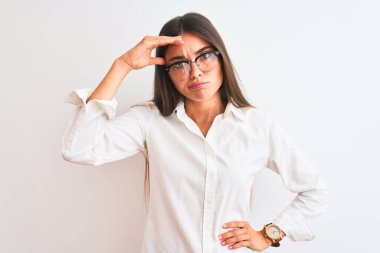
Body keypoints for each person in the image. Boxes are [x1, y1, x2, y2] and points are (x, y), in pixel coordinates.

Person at [61, 12, 330, 253]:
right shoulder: (150, 120)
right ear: (166, 73)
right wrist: (123, 65)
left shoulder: (258, 125)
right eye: (179, 64)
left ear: (221, 57)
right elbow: (79, 148)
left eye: (204, 56)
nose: (195, 72)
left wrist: (269, 235)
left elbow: (315, 191)